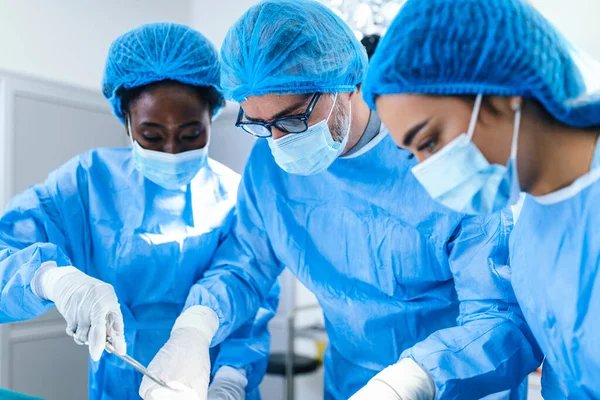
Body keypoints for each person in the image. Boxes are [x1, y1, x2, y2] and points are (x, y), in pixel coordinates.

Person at [141, 1, 543, 399]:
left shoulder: (440, 156)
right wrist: (195, 328)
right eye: (261, 125)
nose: (280, 141)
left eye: (293, 119)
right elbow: (245, 265)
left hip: (454, 388)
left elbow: (501, 319)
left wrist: (412, 381)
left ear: (347, 84)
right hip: (348, 384)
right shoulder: (270, 167)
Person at [0, 22, 278, 400]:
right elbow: (6, 250)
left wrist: (231, 378)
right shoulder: (87, 183)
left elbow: (251, 293)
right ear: (127, 123)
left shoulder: (236, 195)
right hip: (117, 385)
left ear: (211, 118)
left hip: (210, 384)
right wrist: (52, 279)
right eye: (151, 135)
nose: (171, 151)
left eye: (190, 134)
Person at [363, 0, 600, 397]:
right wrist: (413, 379)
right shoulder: (532, 225)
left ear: (502, 89)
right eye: (413, 155)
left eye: (431, 141)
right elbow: (538, 331)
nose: (427, 173)